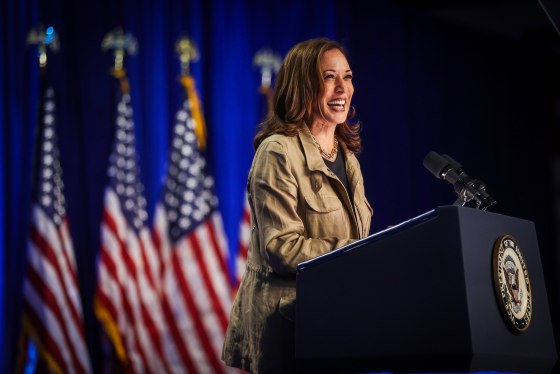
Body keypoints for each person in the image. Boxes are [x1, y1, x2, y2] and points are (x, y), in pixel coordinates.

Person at [222, 37, 373, 373]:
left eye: (347, 77)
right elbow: (282, 249)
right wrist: (360, 251)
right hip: (289, 330)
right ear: (303, 85)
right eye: (329, 77)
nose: (342, 88)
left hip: (338, 322)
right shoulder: (278, 152)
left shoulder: (348, 159)